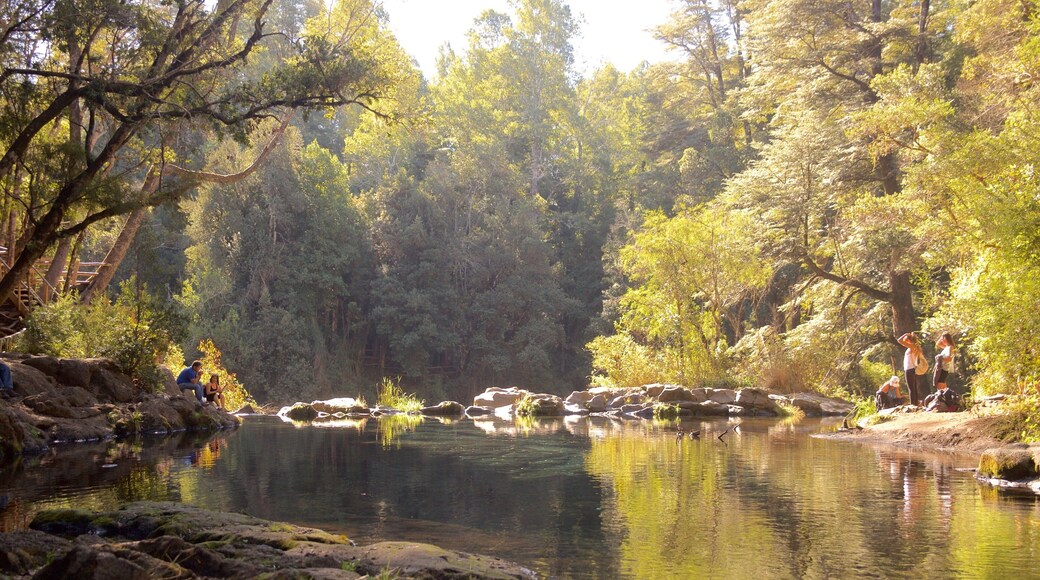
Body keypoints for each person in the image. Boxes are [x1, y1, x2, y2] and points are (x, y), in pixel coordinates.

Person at [897, 332, 927, 405]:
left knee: (911, 387)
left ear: (909, 340)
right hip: (912, 368)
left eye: (906, 340)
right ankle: (915, 402)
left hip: (910, 369)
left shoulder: (912, 346)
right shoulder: (914, 347)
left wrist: (905, 334)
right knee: (913, 387)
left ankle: (913, 403)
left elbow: (899, 340)